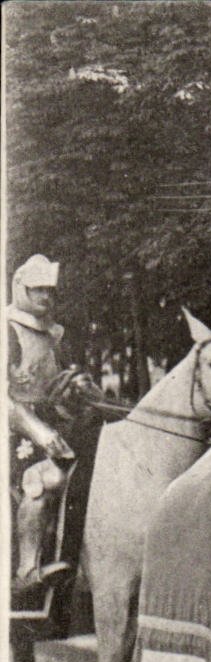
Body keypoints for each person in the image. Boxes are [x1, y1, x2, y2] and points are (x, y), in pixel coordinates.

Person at [9, 254, 79, 597]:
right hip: (14, 429)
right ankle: (27, 570)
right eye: (38, 290)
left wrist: (75, 387)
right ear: (22, 288)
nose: (46, 298)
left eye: (50, 291)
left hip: (52, 422)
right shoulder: (7, 329)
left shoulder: (53, 334)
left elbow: (56, 383)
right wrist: (37, 430)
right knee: (38, 480)